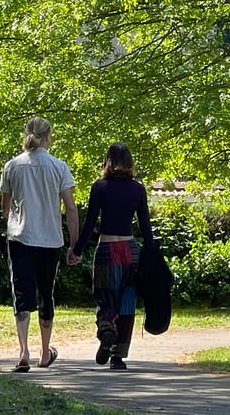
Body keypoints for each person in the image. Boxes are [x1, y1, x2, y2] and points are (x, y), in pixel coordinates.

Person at [0, 116, 79, 373]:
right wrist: (73, 243)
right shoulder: (59, 166)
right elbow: (70, 207)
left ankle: (23, 350)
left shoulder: (12, 166)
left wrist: (16, 218)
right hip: (50, 239)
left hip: (21, 237)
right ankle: (45, 352)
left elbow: (5, 208)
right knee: (46, 292)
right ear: (48, 137)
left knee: (21, 292)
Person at [67, 141, 155, 370]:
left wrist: (76, 250)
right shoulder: (138, 189)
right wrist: (151, 254)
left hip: (106, 249)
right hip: (130, 251)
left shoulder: (100, 186)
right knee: (127, 302)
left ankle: (106, 328)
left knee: (105, 297)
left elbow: (90, 223)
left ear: (107, 160)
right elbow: (145, 226)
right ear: (129, 162)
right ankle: (117, 356)